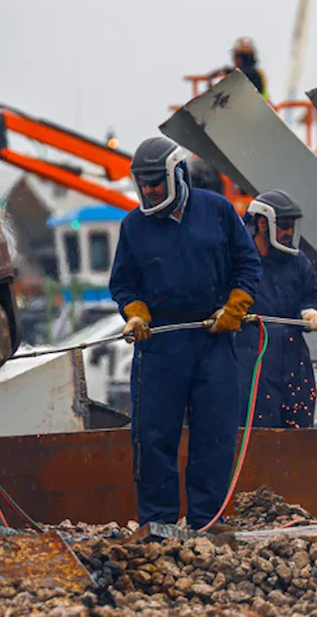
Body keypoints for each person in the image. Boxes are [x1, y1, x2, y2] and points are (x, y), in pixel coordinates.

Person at [109, 136, 263, 530]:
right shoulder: (134, 227)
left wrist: (235, 308)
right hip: (159, 344)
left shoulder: (217, 210)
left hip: (214, 340)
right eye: (142, 184)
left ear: (177, 174)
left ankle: (207, 521)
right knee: (153, 436)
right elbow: (123, 284)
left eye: (155, 182)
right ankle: (157, 523)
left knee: (214, 435)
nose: (149, 190)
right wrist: (136, 313)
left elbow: (248, 264)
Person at [235, 190, 317, 429]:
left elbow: (308, 297)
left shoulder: (298, 262)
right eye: (283, 226)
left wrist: (309, 312)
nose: (288, 233)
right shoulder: (238, 260)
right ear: (261, 223)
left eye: (291, 227)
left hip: (294, 357)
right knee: (259, 431)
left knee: (299, 430)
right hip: (254, 356)